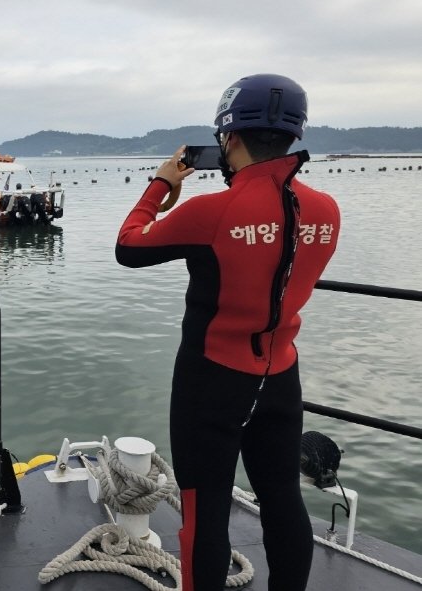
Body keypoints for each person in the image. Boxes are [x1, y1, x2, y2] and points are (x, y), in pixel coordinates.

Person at [115, 74, 341, 591]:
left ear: (230, 136)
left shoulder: (210, 212)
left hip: (211, 381)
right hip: (280, 376)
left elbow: (129, 245)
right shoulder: (327, 211)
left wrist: (161, 186)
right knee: (283, 498)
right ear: (294, 135)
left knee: (206, 510)